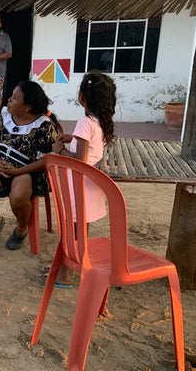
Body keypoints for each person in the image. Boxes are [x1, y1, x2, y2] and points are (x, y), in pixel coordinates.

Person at [39, 71, 116, 287]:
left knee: (71, 233)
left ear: (82, 96)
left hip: (77, 187)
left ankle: (64, 274)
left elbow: (79, 159)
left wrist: (61, 151)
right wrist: (72, 138)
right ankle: (72, 265)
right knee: (80, 231)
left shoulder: (84, 121)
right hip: (90, 186)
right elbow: (89, 146)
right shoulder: (101, 121)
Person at [0, 81, 61, 250]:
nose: (8, 100)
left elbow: (46, 161)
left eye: (14, 98)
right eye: (11, 96)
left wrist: (18, 171)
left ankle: (21, 228)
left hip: (30, 171)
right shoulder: (5, 116)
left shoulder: (45, 126)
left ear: (27, 107)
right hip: (3, 167)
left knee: (17, 196)